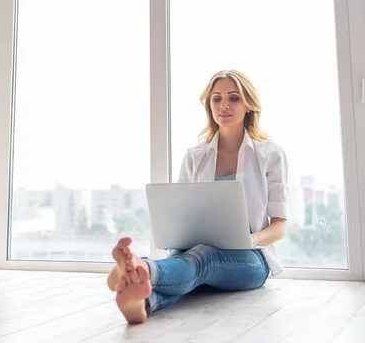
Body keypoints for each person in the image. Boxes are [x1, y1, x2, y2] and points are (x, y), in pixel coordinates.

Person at [107, 69, 289, 324]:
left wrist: (249, 239)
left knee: (201, 259)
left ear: (248, 104)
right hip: (192, 250)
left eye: (234, 98)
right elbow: (180, 214)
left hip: (251, 259)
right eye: (216, 98)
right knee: (189, 264)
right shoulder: (194, 157)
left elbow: (279, 227)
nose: (224, 105)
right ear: (209, 105)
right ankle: (142, 303)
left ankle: (143, 268)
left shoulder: (270, 155)